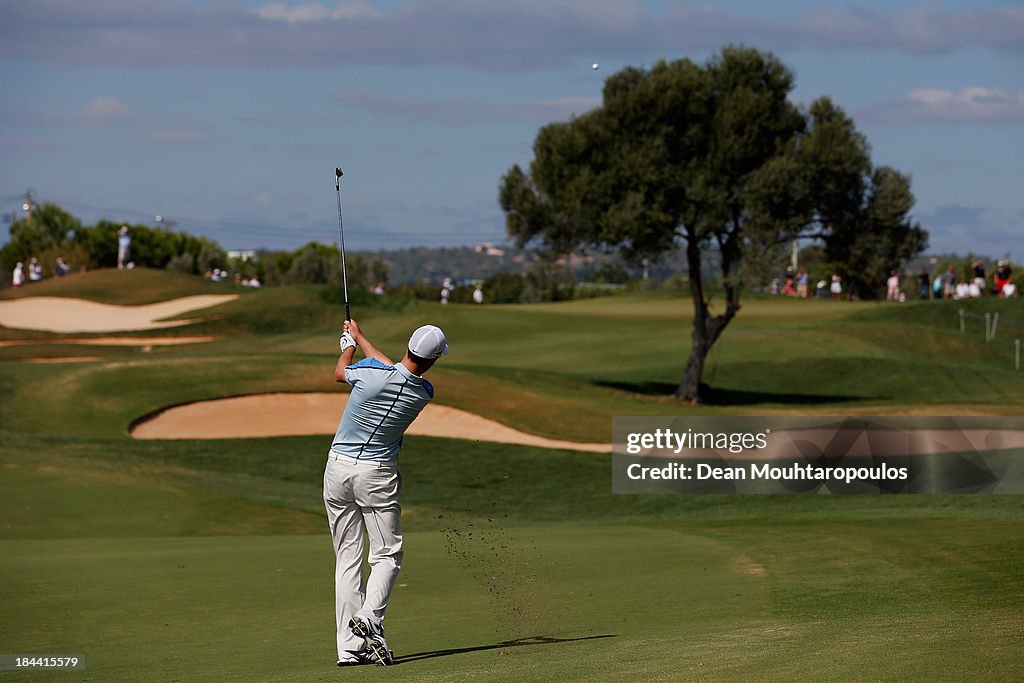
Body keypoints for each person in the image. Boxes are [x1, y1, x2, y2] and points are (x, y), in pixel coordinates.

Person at [324, 320, 448, 667]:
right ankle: (370, 618)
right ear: (434, 360)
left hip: (337, 468)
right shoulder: (423, 392)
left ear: (407, 346)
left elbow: (340, 372)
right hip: (376, 475)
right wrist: (360, 337)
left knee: (348, 558)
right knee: (387, 553)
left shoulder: (369, 375)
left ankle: (349, 649)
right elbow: (392, 370)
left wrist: (348, 345)